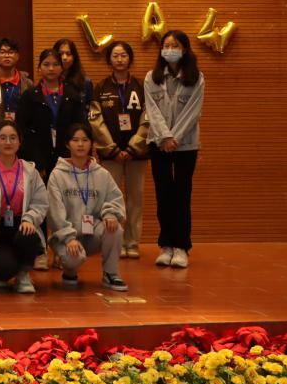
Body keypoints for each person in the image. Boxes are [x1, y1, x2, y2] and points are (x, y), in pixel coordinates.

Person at [144, 30, 205, 269]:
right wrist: (164, 137)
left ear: (185, 49)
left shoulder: (197, 78)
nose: (170, 49)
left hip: (186, 145)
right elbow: (152, 110)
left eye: (175, 45)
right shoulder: (152, 77)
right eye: (166, 45)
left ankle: (181, 247)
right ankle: (166, 245)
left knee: (181, 194)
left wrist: (175, 137)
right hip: (158, 143)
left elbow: (193, 111)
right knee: (163, 194)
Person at [47, 124, 128, 291]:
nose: (80, 144)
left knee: (115, 229)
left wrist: (110, 214)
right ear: (67, 144)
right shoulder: (57, 175)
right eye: (75, 140)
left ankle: (110, 274)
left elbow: (115, 198)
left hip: (92, 233)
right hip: (66, 236)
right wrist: (69, 238)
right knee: (74, 258)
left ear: (91, 144)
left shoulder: (102, 174)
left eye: (85, 140)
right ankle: (69, 271)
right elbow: (55, 213)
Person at [88, 40, 149, 260]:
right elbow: (95, 120)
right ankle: (114, 241)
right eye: (115, 55)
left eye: (123, 55)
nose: (120, 59)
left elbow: (149, 118)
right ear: (109, 60)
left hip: (137, 155)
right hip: (110, 155)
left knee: (135, 199)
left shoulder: (142, 87)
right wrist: (112, 149)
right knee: (111, 199)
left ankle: (132, 242)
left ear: (130, 58)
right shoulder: (101, 88)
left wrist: (133, 146)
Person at [0, 122, 48, 294]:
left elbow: (41, 203)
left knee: (29, 235)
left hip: (22, 226)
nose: (8, 142)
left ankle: (23, 275)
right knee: (3, 269)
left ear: (20, 142)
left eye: (13, 138)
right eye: (3, 138)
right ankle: (1, 272)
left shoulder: (30, 171)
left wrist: (30, 219)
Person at [16, 48, 87, 178]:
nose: (51, 68)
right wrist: (36, 162)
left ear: (61, 68)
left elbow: (81, 127)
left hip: (68, 157)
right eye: (46, 64)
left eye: (55, 64)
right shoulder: (29, 96)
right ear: (39, 68)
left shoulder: (73, 95)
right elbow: (23, 130)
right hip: (38, 157)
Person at [0, 38, 32, 132]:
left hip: (21, 133)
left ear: (17, 56)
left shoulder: (28, 83)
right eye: (2, 52)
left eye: (11, 52)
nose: (7, 55)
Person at [55, 38, 94, 107]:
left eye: (68, 54)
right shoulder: (48, 82)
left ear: (74, 57)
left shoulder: (86, 82)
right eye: (60, 54)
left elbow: (90, 109)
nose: (64, 57)